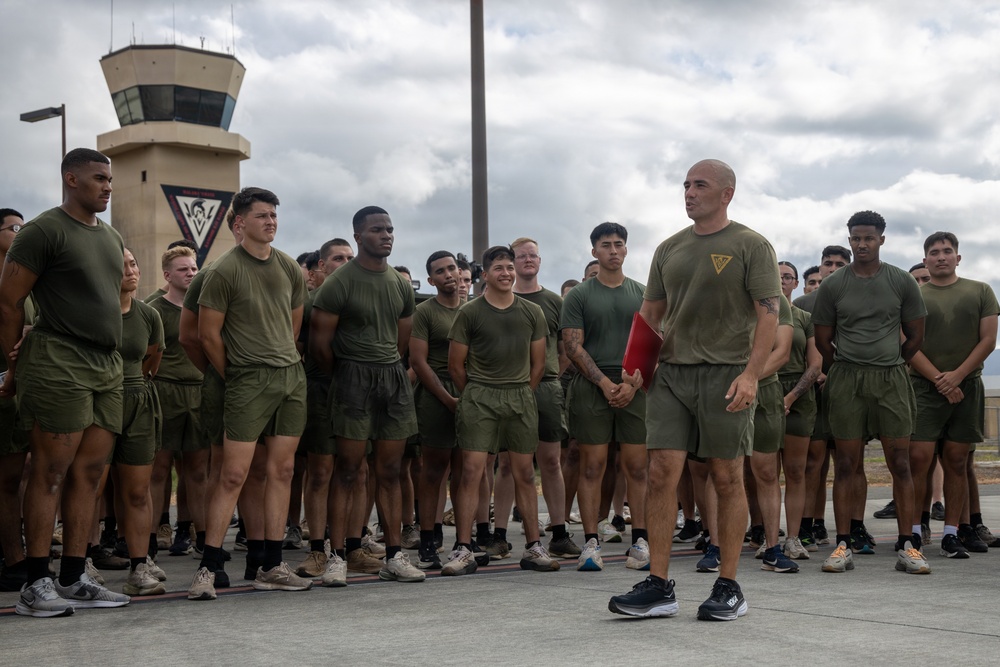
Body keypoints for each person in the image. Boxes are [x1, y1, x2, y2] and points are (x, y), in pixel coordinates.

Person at [609, 159, 780, 621]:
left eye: (699, 185)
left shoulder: (751, 244)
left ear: (726, 193)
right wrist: (636, 366)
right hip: (671, 375)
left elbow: (769, 314)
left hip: (726, 373)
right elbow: (650, 312)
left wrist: (751, 375)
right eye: (685, 185)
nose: (689, 192)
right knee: (662, 472)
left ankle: (729, 586)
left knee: (727, 476)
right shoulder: (669, 248)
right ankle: (660, 585)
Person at [0, 148, 131, 617]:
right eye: (98, 178)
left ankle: (75, 577)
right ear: (70, 178)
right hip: (59, 362)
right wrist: (14, 367)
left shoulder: (112, 237)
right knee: (50, 471)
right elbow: (10, 301)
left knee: (90, 474)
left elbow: (105, 302)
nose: (107, 186)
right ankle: (36, 583)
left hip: (106, 365)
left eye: (110, 179)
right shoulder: (43, 230)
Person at [188, 186, 312, 600]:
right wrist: (237, 374)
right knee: (233, 474)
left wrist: (280, 365)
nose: (271, 221)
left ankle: (272, 565)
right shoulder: (223, 270)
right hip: (246, 380)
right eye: (262, 215)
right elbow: (206, 336)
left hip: (290, 379)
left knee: (282, 472)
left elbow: (292, 328)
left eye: (274, 215)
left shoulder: (290, 267)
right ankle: (208, 567)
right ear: (240, 223)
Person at [310, 206, 425, 585]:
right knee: (348, 470)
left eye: (390, 229)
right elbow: (320, 344)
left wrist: (385, 366)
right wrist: (348, 372)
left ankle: (394, 555)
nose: (386, 235)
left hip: (391, 377)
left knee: (390, 470)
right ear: (358, 236)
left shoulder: (398, 283)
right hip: (351, 378)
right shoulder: (339, 281)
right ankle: (337, 557)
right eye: (377, 230)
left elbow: (402, 338)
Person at [812, 210, 930, 575]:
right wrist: (847, 367)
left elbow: (915, 335)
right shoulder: (834, 285)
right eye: (855, 238)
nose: (862, 244)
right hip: (847, 379)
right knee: (846, 464)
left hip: (892, 379)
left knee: (901, 464)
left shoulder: (900, 281)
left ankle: (907, 545)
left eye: (868, 238)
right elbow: (823, 340)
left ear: (881, 239)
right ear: (849, 240)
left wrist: (892, 362)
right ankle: (843, 544)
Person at [444, 245, 559, 575]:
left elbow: (539, 365)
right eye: (499, 268)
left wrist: (521, 392)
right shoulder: (470, 312)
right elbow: (455, 366)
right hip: (480, 397)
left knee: (524, 472)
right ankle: (464, 548)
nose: (507, 273)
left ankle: (534, 547)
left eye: (510, 267)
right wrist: (477, 396)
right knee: (472, 471)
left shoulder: (531, 312)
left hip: (520, 396)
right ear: (485, 274)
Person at [561, 224, 648, 573]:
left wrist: (632, 384)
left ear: (626, 250)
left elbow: (652, 341)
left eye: (619, 244)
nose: (613, 250)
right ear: (594, 251)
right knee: (592, 465)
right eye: (605, 245)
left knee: (638, 467)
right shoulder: (579, 295)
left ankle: (640, 540)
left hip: (635, 387)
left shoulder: (643, 293)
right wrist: (602, 383)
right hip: (592, 387)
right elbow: (572, 345)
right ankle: (592, 542)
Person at [907, 232, 999, 558]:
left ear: (958, 257)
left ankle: (952, 532)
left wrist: (958, 376)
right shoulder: (913, 296)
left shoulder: (980, 291)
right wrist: (939, 379)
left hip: (968, 386)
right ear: (925, 259)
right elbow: (906, 344)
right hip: (924, 387)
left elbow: (988, 340)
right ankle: (915, 531)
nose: (941, 256)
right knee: (918, 459)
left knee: (958, 461)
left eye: (947, 251)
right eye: (934, 252)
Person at [511, 237, 580, 559]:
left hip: (547, 388)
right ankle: (499, 533)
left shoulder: (555, 301)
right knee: (508, 466)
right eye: (521, 255)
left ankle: (560, 531)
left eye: (533, 255)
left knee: (551, 461)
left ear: (540, 261)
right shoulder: (500, 299)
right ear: (511, 262)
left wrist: (548, 371)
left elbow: (566, 348)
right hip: (507, 389)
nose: (528, 260)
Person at [294, 238, 356, 579]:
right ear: (321, 266)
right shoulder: (310, 303)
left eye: (349, 256)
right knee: (319, 473)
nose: (344, 262)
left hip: (357, 392)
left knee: (356, 472)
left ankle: (351, 546)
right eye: (337, 257)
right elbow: (300, 348)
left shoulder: (363, 296)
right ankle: (318, 550)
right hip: (320, 390)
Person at [148, 246, 208, 559]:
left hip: (198, 391)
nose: (191, 274)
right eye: (183, 270)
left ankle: (202, 537)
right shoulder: (153, 308)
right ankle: (149, 537)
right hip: (164, 391)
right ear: (168, 275)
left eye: (194, 268)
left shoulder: (204, 306)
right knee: (158, 469)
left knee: (197, 470)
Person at [115, 249, 167, 596]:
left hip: (137, 398)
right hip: (98, 397)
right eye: (122, 266)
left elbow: (152, 359)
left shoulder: (148, 314)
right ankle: (83, 561)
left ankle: (139, 564)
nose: (131, 270)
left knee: (137, 490)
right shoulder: (91, 311)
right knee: (89, 486)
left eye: (134, 263)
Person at [409, 251, 464, 570]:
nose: (449, 274)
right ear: (431, 280)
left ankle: (464, 541)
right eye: (441, 271)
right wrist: (446, 398)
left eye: (452, 268)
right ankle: (428, 538)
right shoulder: (425, 311)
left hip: (469, 391)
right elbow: (418, 361)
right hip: (434, 392)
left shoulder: (472, 310)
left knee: (466, 471)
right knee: (433, 472)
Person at [776, 262, 822, 560]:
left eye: (787, 277)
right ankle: (765, 535)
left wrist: (791, 397)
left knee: (795, 470)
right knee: (762, 472)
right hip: (763, 390)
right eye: (776, 276)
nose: (781, 281)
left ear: (795, 284)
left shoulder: (805, 318)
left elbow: (815, 364)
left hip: (799, 395)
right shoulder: (752, 315)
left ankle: (793, 537)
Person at [0, 209, 34, 592]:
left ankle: (17, 551)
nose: (20, 233)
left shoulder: (28, 284)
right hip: (4, 389)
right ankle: (13, 559)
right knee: (8, 478)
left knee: (21, 474)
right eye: (14, 228)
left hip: (24, 391)